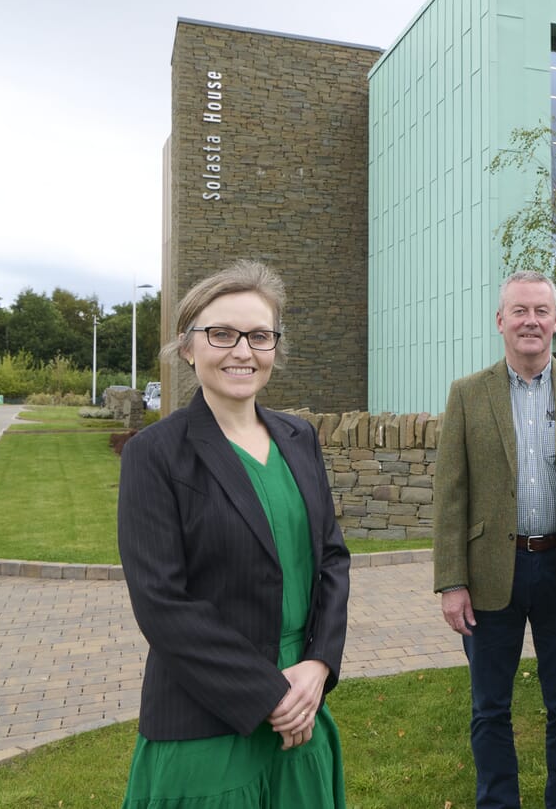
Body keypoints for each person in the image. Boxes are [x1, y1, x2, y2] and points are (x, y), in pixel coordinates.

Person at [117, 260, 351, 808]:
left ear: (275, 347)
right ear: (188, 346)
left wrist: (318, 666)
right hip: (206, 723)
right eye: (221, 334)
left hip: (302, 709)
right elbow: (161, 602)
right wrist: (269, 694)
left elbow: (332, 560)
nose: (242, 351)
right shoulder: (154, 455)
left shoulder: (299, 437)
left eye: (259, 336)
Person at [434, 270, 556, 809]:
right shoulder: (468, 395)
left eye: (541, 311)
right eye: (519, 311)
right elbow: (450, 496)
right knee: (489, 708)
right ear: (500, 321)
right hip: (491, 572)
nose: (531, 321)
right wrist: (451, 582)